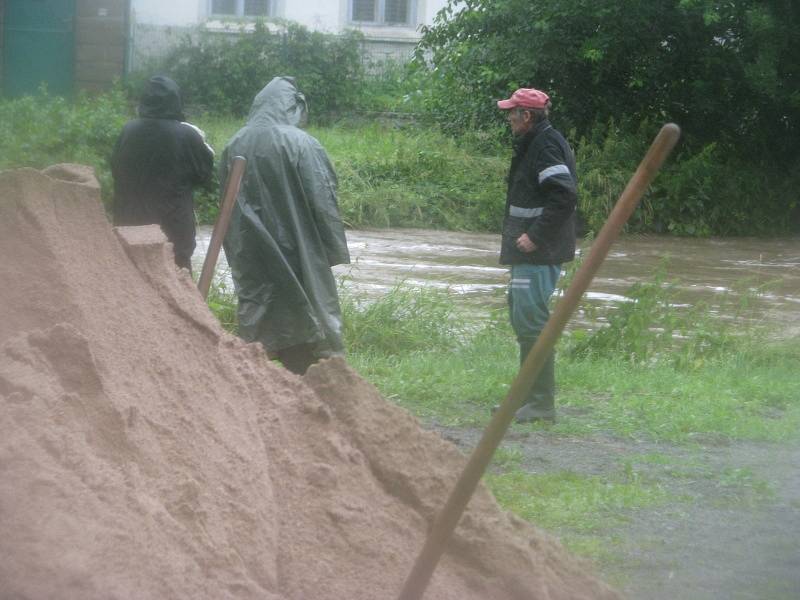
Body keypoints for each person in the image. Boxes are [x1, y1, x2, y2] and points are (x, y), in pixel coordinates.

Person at [220, 77, 350, 375]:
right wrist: (330, 249)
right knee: (309, 313)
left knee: (258, 312)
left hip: (251, 250)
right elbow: (324, 200)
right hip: (300, 247)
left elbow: (224, 206)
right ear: (293, 106)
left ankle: (255, 383)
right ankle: (310, 383)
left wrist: (236, 249)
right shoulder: (303, 143)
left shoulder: (235, 142)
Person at [497, 87, 578, 424]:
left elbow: (564, 195)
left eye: (512, 113)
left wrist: (535, 236)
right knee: (523, 319)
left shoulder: (544, 144)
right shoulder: (536, 141)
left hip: (537, 252)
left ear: (526, 116)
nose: (509, 118)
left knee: (531, 323)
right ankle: (527, 400)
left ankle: (541, 404)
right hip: (528, 252)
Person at [111, 75, 214, 272]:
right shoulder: (186, 135)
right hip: (172, 230)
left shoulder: (128, 131)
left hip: (130, 227)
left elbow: (116, 169)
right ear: (176, 101)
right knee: (177, 287)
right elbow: (204, 176)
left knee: (132, 282)